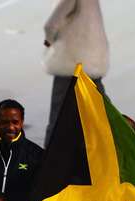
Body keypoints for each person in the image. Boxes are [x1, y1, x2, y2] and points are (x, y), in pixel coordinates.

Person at [43, 0, 108, 145]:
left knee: (58, 117)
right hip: (94, 62)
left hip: (71, 62)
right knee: (102, 112)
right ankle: (110, 151)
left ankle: (49, 161)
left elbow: (51, 24)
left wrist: (48, 41)